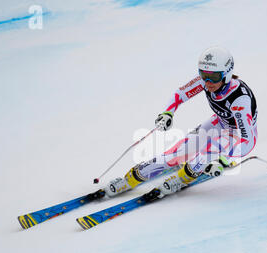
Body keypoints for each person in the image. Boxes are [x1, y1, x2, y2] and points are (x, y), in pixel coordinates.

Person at [104, 46, 258, 198]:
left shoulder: (240, 100)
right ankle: (128, 180)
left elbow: (248, 140)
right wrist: (167, 113)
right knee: (175, 154)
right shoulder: (205, 82)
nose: (208, 82)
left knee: (202, 158)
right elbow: (180, 94)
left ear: (227, 74)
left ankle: (181, 178)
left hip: (236, 135)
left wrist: (224, 160)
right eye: (204, 75)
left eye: (215, 77)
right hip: (219, 123)